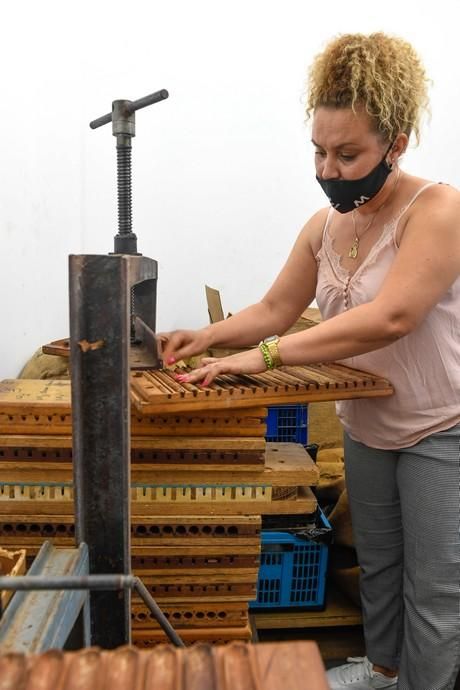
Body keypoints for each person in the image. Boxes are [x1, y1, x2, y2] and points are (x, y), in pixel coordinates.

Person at [160, 33, 460, 690]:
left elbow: (391, 317)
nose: (329, 168)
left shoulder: (437, 209)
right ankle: (383, 673)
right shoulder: (324, 226)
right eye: (320, 152)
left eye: (348, 154)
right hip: (369, 424)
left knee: (435, 589)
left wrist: (262, 358)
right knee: (378, 564)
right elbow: (273, 308)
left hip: (442, 426)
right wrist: (205, 339)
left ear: (397, 141)